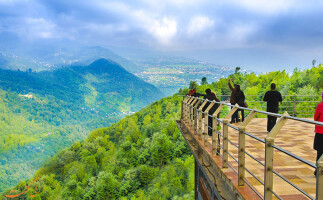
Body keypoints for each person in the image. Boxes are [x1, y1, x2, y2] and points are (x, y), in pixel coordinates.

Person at [314, 90, 323, 175]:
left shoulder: (320, 105)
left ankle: (318, 170)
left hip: (320, 132)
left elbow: (315, 118)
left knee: (319, 152)